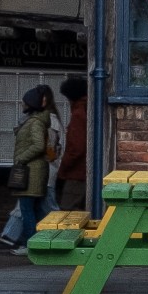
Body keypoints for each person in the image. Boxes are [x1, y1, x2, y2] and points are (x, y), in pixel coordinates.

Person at [0, 85, 56, 252]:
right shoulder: (35, 121)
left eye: (24, 102)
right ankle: (38, 243)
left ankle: (29, 245)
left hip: (31, 172)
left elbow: (38, 145)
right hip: (35, 171)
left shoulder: (35, 122)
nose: (22, 104)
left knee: (27, 211)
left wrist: (21, 158)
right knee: (35, 210)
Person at [53, 73, 89, 214]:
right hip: (82, 172)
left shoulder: (78, 114)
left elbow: (76, 148)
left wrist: (63, 167)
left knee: (68, 212)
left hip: (75, 173)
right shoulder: (86, 109)